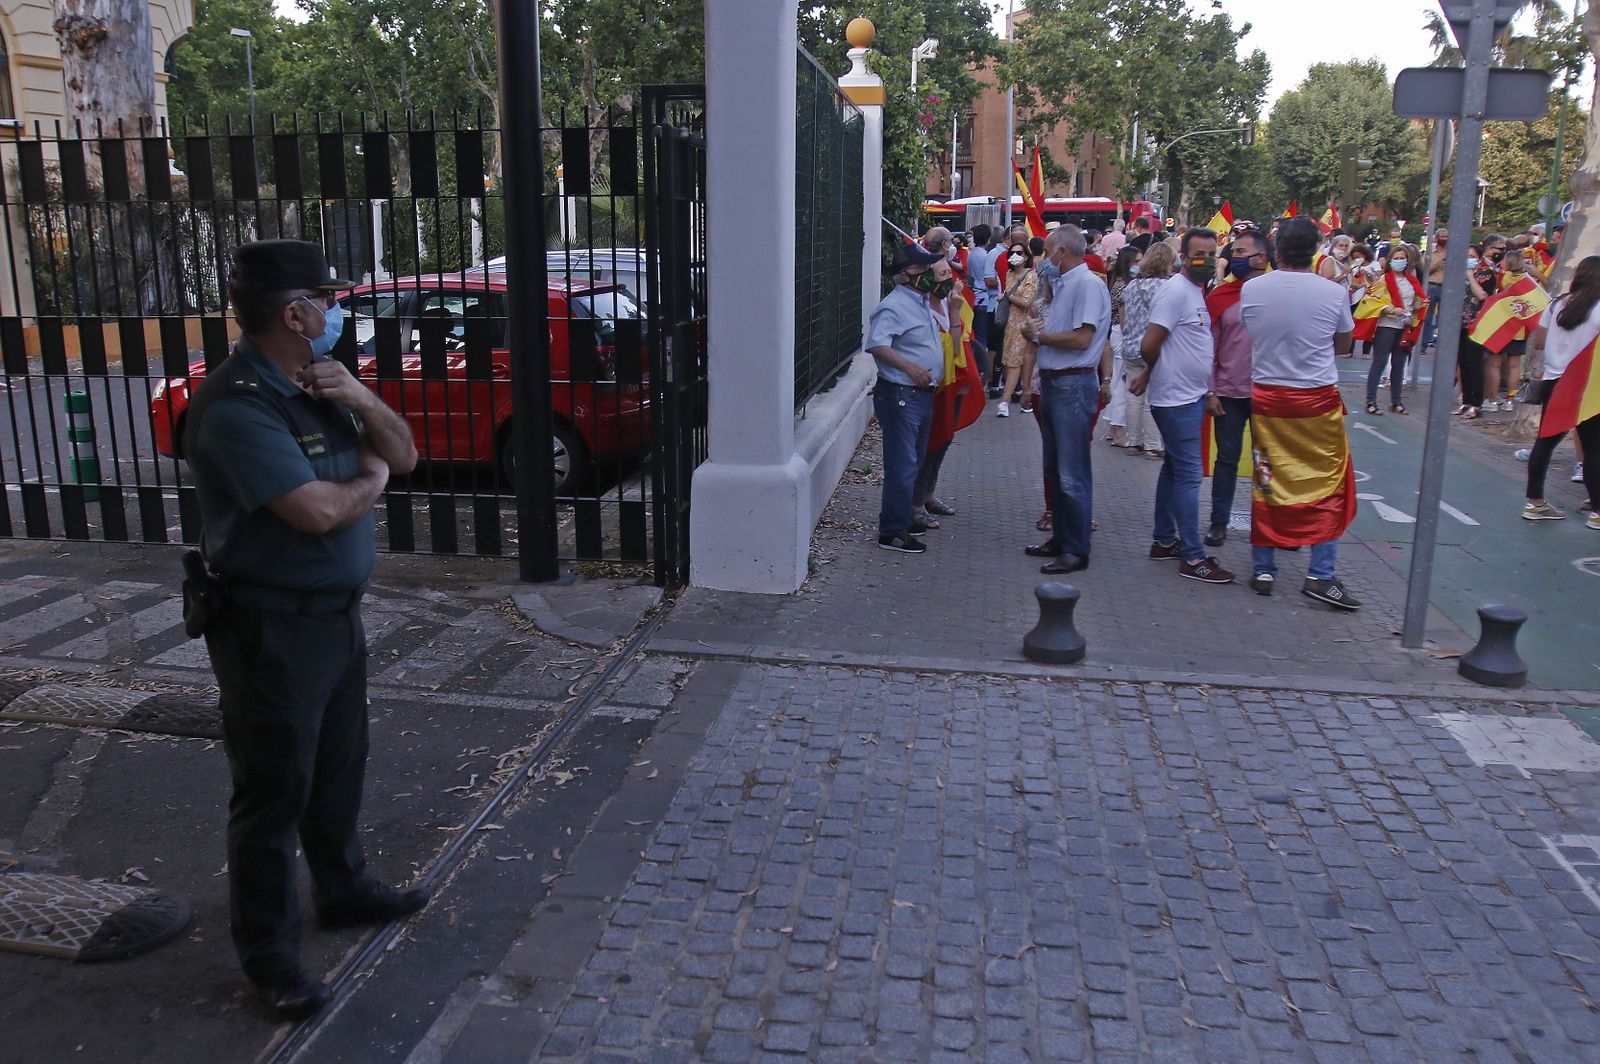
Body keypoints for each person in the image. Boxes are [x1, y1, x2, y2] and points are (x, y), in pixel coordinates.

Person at [186, 240, 426, 1016]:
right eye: (328, 297)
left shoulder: (317, 385)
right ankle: (272, 959)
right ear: (296, 313)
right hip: (270, 630)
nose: (337, 311)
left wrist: (361, 400)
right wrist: (370, 478)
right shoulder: (235, 406)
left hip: (331, 620)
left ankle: (345, 888)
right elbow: (316, 510)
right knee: (273, 795)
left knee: (336, 769)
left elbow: (407, 454)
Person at [1237, 217, 1362, 609]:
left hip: (1268, 397)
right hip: (1315, 399)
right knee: (1328, 484)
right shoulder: (1332, 292)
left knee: (1268, 479)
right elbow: (1343, 344)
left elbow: (1253, 330)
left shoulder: (1253, 288)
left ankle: (1264, 568)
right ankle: (1321, 575)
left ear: (1276, 249)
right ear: (1317, 249)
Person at [1129, 227, 1235, 585]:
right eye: (1198, 254)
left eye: (1211, 252)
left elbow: (1179, 345)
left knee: (1174, 470)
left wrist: (1151, 373)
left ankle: (1163, 541)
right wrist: (1152, 369)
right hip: (1176, 400)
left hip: (1185, 395)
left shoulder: (1194, 291)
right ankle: (1192, 556)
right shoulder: (1175, 293)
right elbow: (1150, 342)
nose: (1206, 259)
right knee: (1189, 476)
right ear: (1184, 258)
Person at [1020, 224, 1111, 574]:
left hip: (1073, 382)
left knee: (1072, 472)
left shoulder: (1086, 285)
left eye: (1047, 253)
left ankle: (1075, 547)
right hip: (1058, 382)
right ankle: (1062, 538)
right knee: (1055, 468)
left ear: (1062, 252)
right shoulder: (1064, 284)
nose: (1044, 260)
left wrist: (1040, 338)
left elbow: (1082, 339)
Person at [866, 242, 949, 553]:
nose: (930, 273)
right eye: (923, 269)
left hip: (919, 395)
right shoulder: (894, 306)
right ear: (906, 275)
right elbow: (877, 344)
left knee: (912, 461)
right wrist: (911, 368)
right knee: (902, 465)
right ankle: (891, 531)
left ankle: (902, 518)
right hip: (902, 394)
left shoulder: (920, 301)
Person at [1205, 226, 1269, 547]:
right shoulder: (1220, 296)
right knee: (1227, 459)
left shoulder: (1279, 295)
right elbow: (1209, 349)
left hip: (1268, 394)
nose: (1234, 257)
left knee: (1268, 463)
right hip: (1228, 393)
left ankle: (1271, 525)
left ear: (1263, 257)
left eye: (1241, 252)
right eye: (1233, 251)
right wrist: (1211, 391)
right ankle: (1219, 521)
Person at [1522, 256, 1600, 521]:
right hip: (1587, 386)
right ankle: (1597, 512)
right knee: (1593, 449)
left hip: (1553, 381)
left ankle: (1535, 502)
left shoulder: (1556, 305)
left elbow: (1539, 343)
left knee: (1544, 444)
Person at [1357, 242, 1427, 415]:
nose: (1399, 261)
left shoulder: (1412, 281)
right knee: (1380, 362)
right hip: (1386, 325)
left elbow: (1418, 300)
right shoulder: (1383, 280)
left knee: (1399, 363)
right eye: (1396, 258)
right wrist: (1390, 310)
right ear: (1390, 261)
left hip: (1405, 326)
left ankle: (1396, 401)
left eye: (1402, 258)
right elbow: (1372, 300)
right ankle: (1371, 401)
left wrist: (1419, 305)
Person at [1119, 242, 1175, 457]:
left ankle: (1133, 442)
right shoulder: (1166, 287)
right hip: (1152, 347)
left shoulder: (1132, 286)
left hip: (1130, 346)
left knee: (1133, 395)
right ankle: (1153, 445)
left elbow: (1123, 317)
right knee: (1151, 397)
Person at [1481, 248, 1538, 412]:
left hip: (1501, 325)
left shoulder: (1502, 278)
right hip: (1519, 327)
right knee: (1514, 367)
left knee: (1494, 364)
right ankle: (1510, 400)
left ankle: (1492, 401)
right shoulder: (1528, 281)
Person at [997, 239, 1041, 418]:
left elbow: (1027, 301)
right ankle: (1025, 399)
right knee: (1012, 363)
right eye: (1012, 253)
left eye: (1020, 253)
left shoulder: (1031, 275)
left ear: (1027, 256)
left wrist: (1008, 296)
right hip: (1011, 323)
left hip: (1025, 323)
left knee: (1017, 363)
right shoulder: (1008, 274)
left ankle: (1004, 401)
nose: (1016, 256)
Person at [1103, 246, 1141, 446]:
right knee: (1121, 384)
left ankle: (1112, 426)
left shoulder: (1118, 283)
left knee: (1118, 379)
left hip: (1118, 333)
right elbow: (1125, 319)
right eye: (1136, 261)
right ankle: (1119, 430)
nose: (1139, 265)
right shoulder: (1124, 286)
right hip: (1123, 334)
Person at [1422, 228, 1449, 352]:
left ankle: (1441, 345)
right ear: (1437, 238)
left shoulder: (1452, 252)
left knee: (1444, 318)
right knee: (1427, 317)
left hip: (1446, 287)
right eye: (1442, 237)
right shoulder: (1429, 253)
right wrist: (1438, 264)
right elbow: (1424, 270)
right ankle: (1423, 344)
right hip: (1432, 286)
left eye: (1446, 236)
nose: (1444, 239)